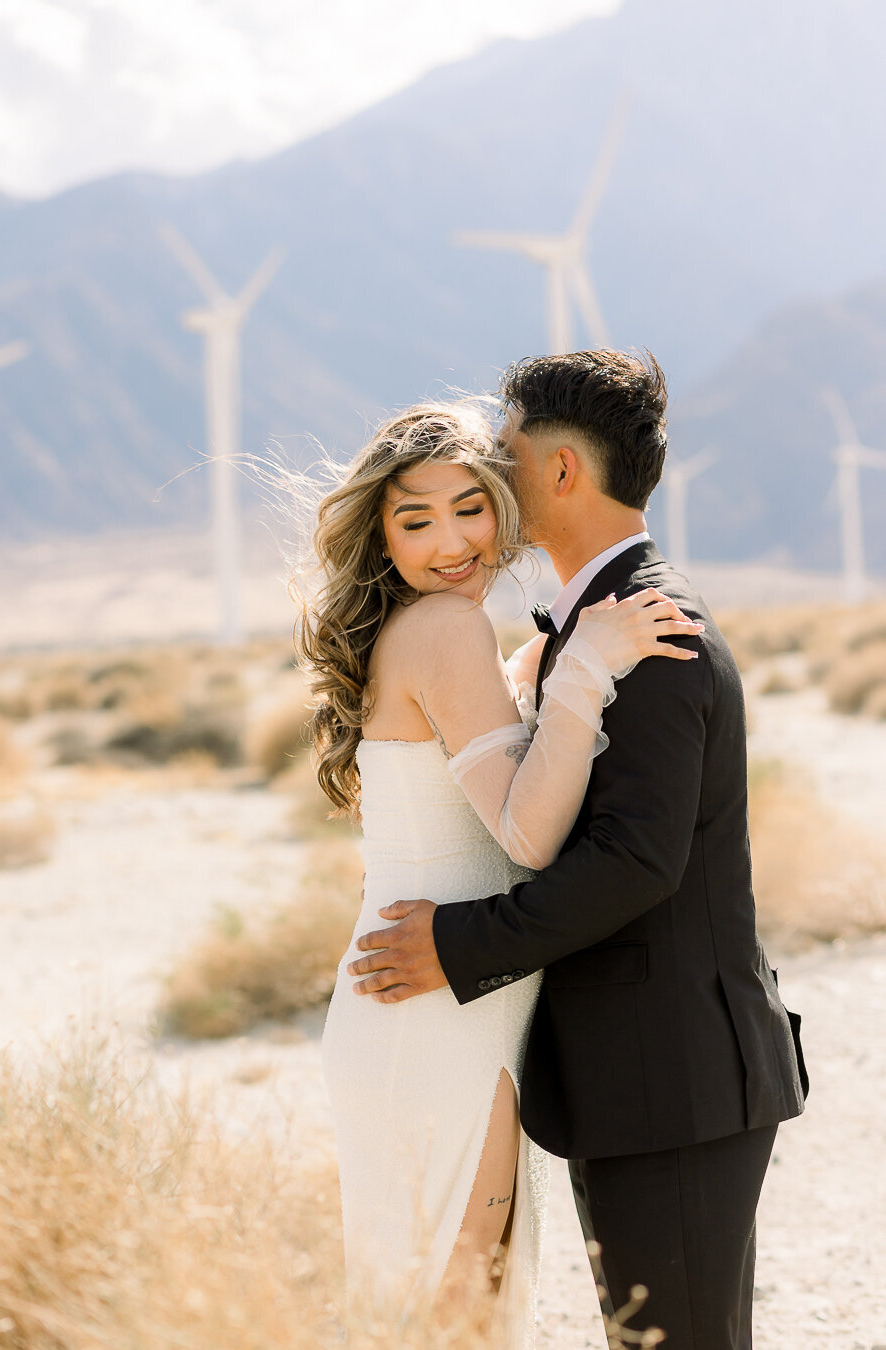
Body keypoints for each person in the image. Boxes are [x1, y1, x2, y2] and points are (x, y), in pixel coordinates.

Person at [348, 351, 809, 1350]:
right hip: (632, 1078)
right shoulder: (589, 627)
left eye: (505, 459)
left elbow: (636, 861)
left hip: (674, 1081)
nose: (489, 482)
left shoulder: (651, 628)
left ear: (559, 473)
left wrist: (460, 945)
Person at [295, 398, 702, 1345]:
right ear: (378, 533)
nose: (450, 542)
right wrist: (586, 672)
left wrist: (536, 675)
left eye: (469, 507)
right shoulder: (442, 627)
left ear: (503, 503)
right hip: (433, 1005)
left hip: (440, 991)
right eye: (415, 519)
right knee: (457, 1306)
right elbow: (524, 837)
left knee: (450, 1299)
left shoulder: (437, 630)